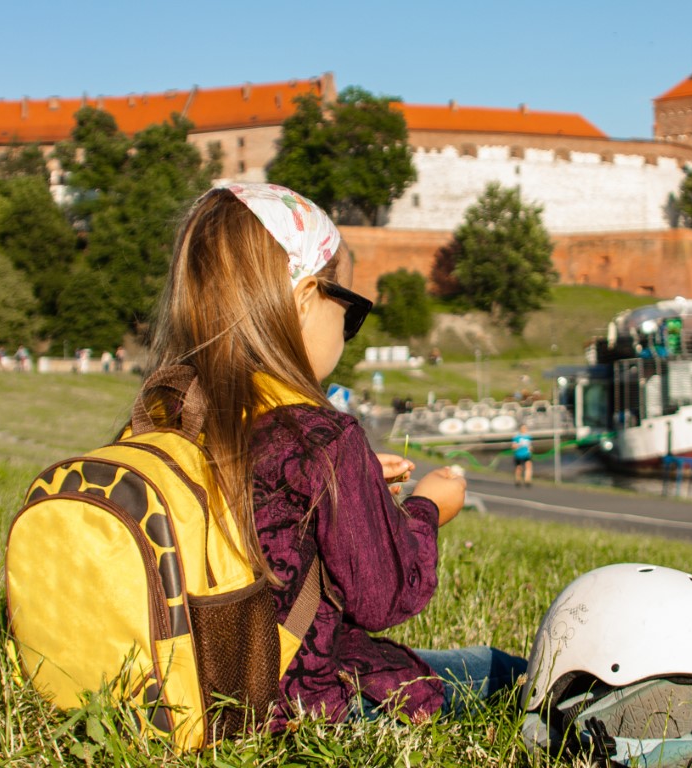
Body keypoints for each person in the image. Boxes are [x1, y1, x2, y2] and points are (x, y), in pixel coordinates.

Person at [148, 182, 525, 727]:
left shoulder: (172, 414)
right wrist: (426, 509)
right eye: (348, 307)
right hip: (297, 703)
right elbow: (386, 597)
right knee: (503, 671)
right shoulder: (320, 439)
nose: (347, 330)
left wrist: (361, 488)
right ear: (303, 299)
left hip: (182, 690)